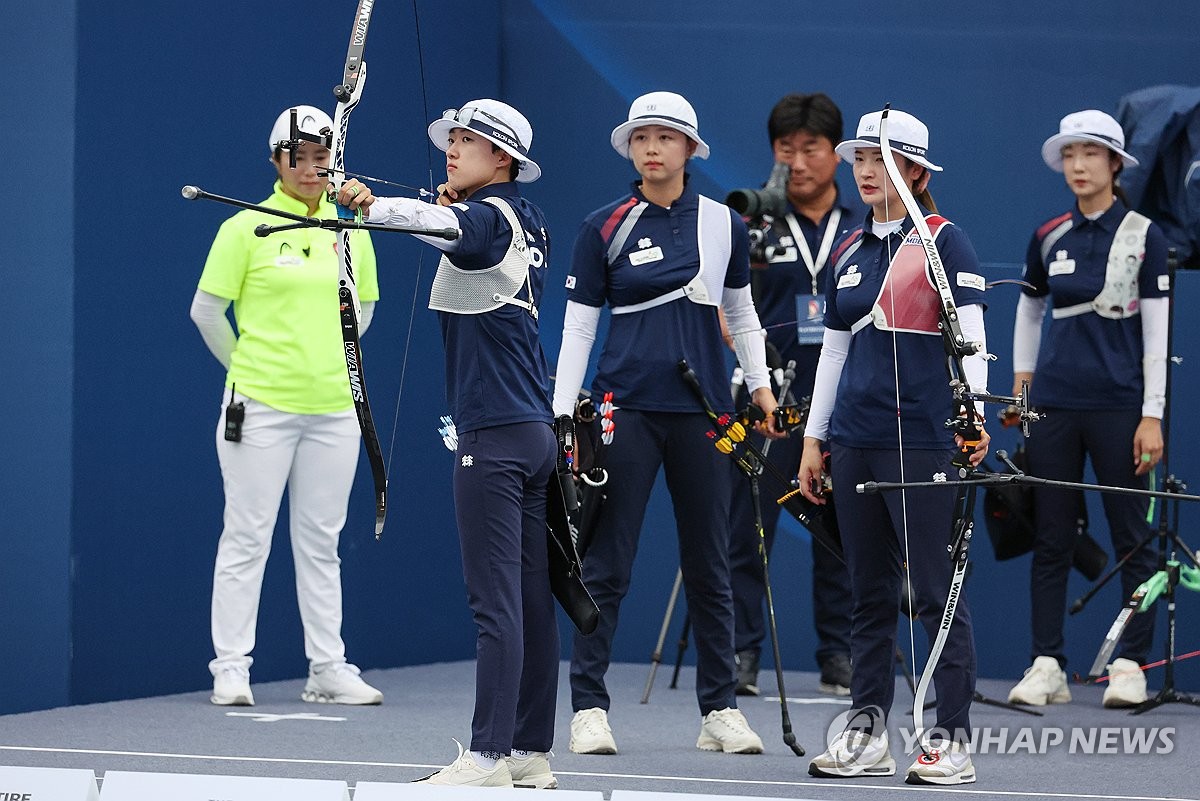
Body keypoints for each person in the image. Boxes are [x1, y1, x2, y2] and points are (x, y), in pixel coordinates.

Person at [337, 99, 559, 789]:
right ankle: (529, 750)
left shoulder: (490, 217)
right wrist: (432, 211)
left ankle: (489, 754)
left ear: (503, 161)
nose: (453, 150)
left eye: (468, 142)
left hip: (493, 435)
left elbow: (446, 224)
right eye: (453, 139)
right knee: (525, 598)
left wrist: (369, 207)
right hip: (529, 430)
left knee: (495, 602)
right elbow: (452, 229)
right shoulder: (523, 219)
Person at [552, 91, 775, 757]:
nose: (652, 148)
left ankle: (721, 711)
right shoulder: (604, 225)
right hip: (625, 410)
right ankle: (589, 707)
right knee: (606, 562)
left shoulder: (723, 224)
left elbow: (742, 314)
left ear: (688, 149)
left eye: (666, 137)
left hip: (707, 415)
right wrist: (562, 414)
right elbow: (579, 327)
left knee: (712, 561)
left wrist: (761, 390)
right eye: (641, 137)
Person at [797, 108, 989, 785]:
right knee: (867, 593)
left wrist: (972, 416)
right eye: (861, 159)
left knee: (936, 591)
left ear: (915, 170)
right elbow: (833, 355)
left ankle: (949, 740)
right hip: (853, 442)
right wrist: (814, 439)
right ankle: (867, 734)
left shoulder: (946, 242)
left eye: (882, 159)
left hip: (926, 441)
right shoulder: (848, 250)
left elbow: (972, 340)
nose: (868, 170)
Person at [190, 105, 384, 708]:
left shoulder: (351, 227)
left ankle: (327, 668)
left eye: (321, 155)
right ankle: (231, 668)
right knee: (247, 535)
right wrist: (249, 370)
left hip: (333, 409)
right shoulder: (244, 226)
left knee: (321, 540)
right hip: (259, 406)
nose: (310, 167)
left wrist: (329, 364)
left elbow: (364, 310)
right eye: (296, 157)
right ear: (276, 161)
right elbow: (205, 311)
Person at [1007, 109, 1168, 710]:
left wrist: (1152, 414)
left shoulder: (1145, 236)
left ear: (1115, 164)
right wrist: (1022, 385)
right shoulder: (1050, 234)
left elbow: (1158, 334)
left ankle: (1130, 665)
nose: (1078, 165)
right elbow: (1027, 309)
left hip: (1120, 408)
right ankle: (1046, 663)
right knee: (1051, 533)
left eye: (1091, 154)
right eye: (1070, 154)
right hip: (1052, 406)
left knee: (1133, 537)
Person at [725, 93, 859, 698]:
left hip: (844, 403)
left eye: (811, 148)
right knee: (748, 531)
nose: (798, 162)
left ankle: (840, 653)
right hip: (764, 403)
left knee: (842, 531)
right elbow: (720, 306)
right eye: (786, 149)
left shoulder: (864, 228)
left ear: (837, 154)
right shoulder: (748, 220)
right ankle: (742, 653)